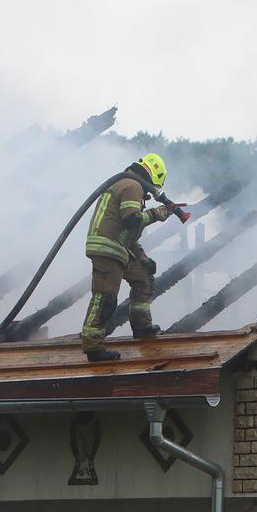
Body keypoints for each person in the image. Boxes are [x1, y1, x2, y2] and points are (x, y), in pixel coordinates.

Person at [82, 153, 176, 362]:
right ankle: (93, 346)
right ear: (154, 177)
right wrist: (156, 214)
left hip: (119, 247)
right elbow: (132, 220)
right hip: (107, 249)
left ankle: (142, 327)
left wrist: (143, 258)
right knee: (105, 297)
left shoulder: (128, 184)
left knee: (143, 277)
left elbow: (129, 234)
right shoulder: (132, 186)